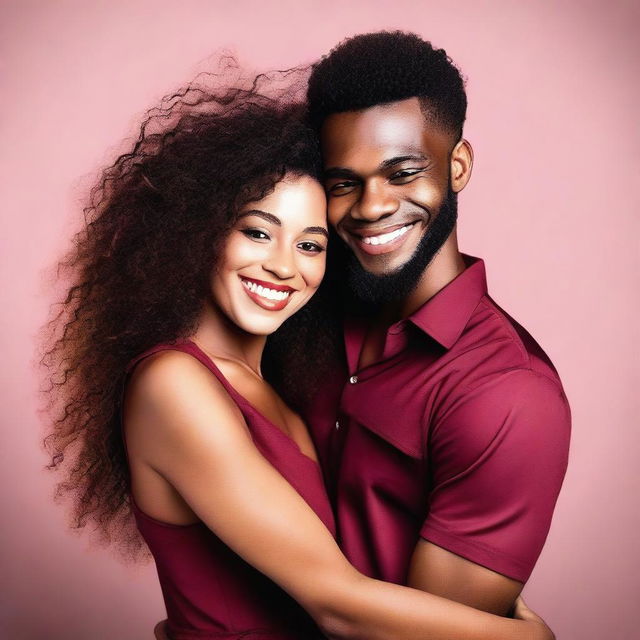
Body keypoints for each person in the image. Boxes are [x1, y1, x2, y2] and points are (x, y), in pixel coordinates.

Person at [44, 67, 554, 639]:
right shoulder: (174, 384)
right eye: (258, 232)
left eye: (310, 244)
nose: (284, 266)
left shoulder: (281, 378)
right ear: (198, 230)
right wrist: (525, 636)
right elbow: (337, 604)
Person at [305, 30, 572, 616]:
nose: (371, 206)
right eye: (344, 183)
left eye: (401, 173)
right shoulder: (301, 311)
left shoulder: (507, 394)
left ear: (457, 166)